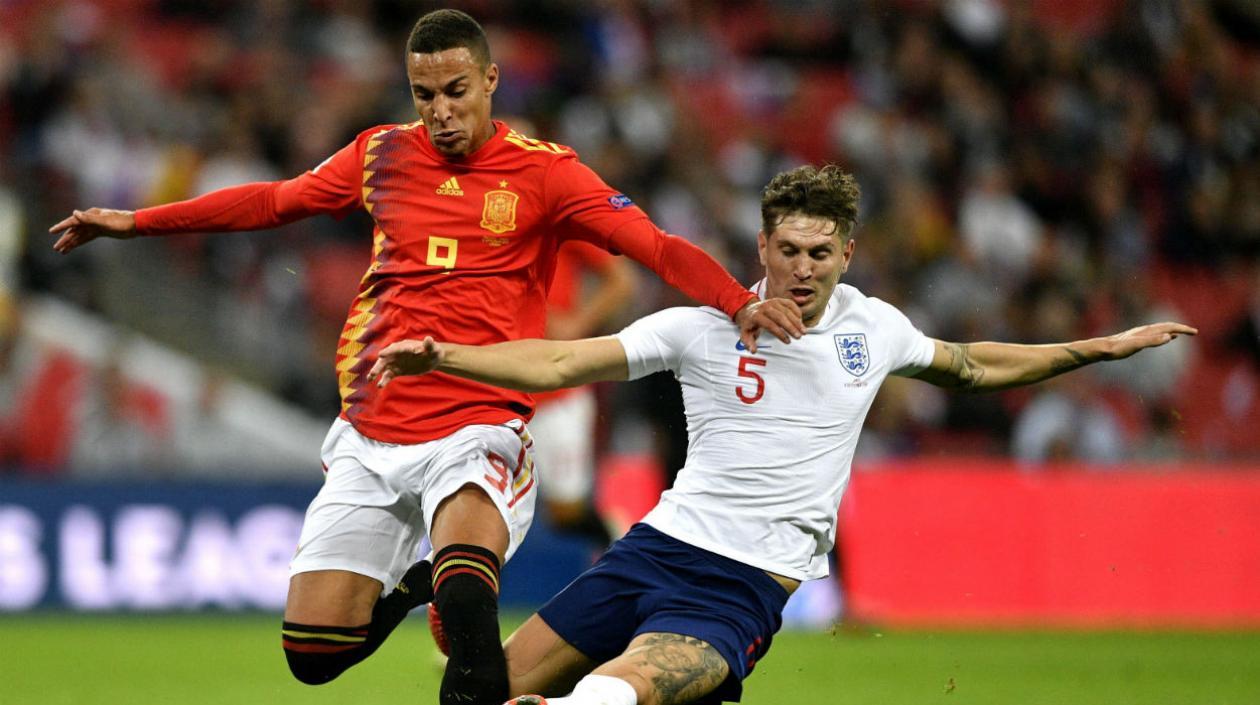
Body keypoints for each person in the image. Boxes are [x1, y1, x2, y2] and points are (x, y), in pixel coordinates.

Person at [47, 9, 802, 705]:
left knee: (471, 600)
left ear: (490, 82)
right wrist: (136, 222)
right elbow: (276, 201)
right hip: (372, 430)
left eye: (455, 90)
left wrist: (739, 300)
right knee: (313, 654)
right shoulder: (379, 154)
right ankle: (413, 584)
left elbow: (655, 245)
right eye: (423, 93)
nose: (439, 110)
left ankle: (450, 598)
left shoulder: (547, 173)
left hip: (479, 425)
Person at [368, 164, 1196, 705]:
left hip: (741, 585)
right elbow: (558, 360)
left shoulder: (875, 331)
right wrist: (449, 353)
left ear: (847, 252)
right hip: (653, 550)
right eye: (790, 248)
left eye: (822, 252)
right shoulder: (700, 327)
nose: (804, 268)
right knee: (473, 691)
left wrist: (1102, 347)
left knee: (612, 696)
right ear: (762, 245)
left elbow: (973, 364)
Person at [533, 241, 636, 543]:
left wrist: (576, 324)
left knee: (566, 513)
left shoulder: (554, 214)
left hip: (556, 390)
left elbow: (623, 280)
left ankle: (621, 543)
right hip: (491, 390)